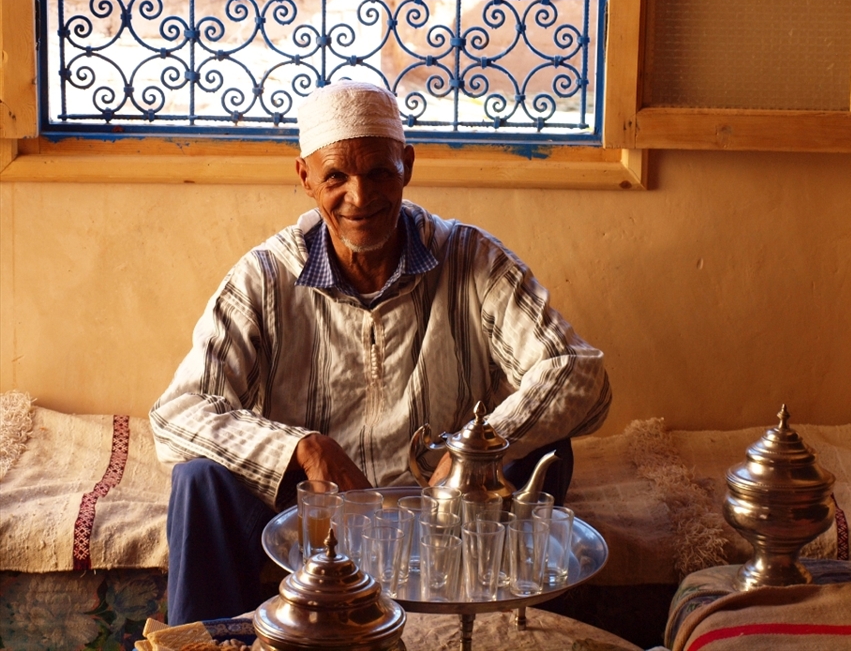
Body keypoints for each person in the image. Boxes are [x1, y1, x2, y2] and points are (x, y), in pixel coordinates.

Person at [150, 80, 612, 624]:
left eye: (378, 173)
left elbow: (579, 373)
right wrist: (304, 449)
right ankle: (212, 641)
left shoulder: (471, 259)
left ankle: (492, 628)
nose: (361, 197)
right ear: (305, 178)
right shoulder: (265, 276)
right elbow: (177, 412)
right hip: (310, 520)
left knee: (547, 444)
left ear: (407, 166)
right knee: (198, 480)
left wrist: (471, 457)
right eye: (336, 177)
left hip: (449, 520)